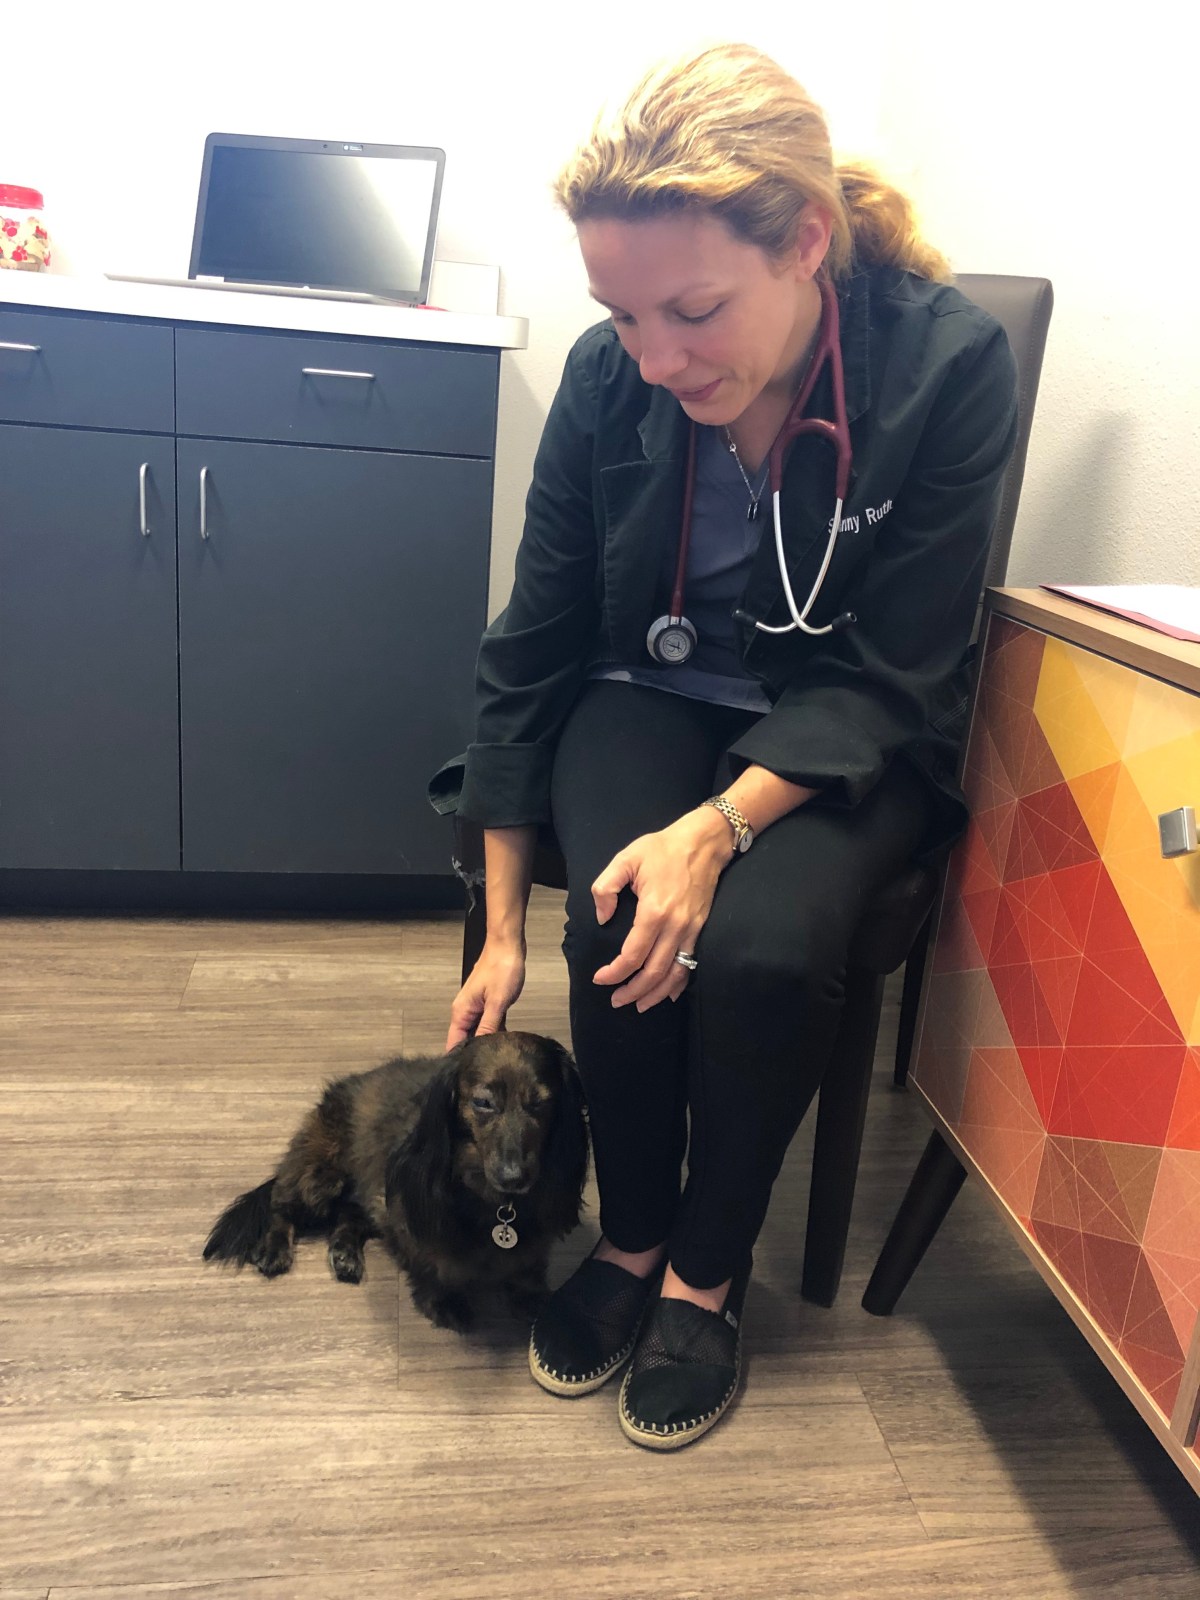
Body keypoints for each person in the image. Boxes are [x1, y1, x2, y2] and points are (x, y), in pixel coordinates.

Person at [430, 41, 1018, 1450]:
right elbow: (536, 641)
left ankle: (705, 1272)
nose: (655, 358)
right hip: (652, 679)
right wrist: (504, 923)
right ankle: (629, 1241)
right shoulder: (609, 376)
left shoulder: (948, 369)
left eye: (691, 311)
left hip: (846, 717)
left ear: (806, 240)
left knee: (754, 945)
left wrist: (723, 825)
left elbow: (901, 666)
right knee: (623, 917)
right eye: (620, 315)